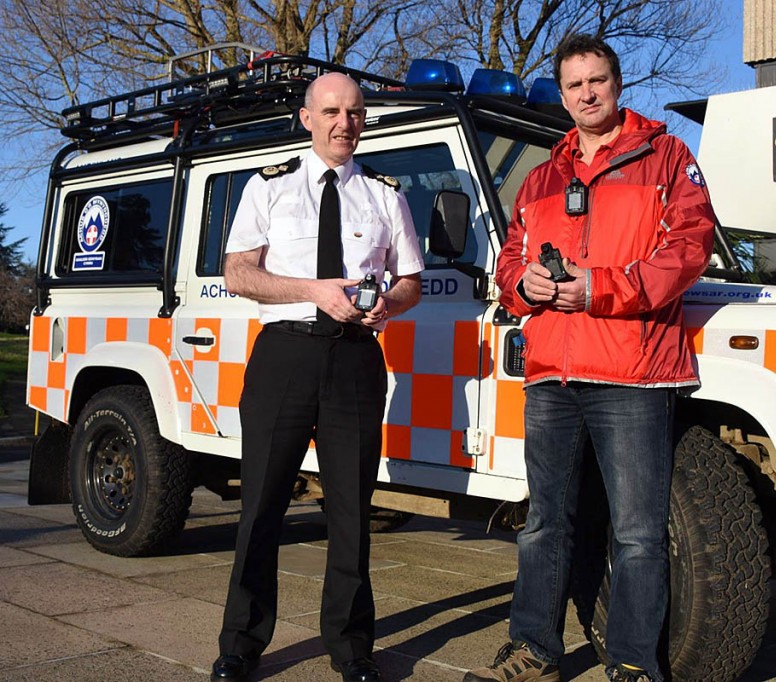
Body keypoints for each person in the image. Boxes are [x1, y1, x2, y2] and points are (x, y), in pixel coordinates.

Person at [464, 34, 715, 682]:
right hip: (552, 374)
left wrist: (597, 288)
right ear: (564, 92)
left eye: (597, 80)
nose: (588, 93)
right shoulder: (542, 177)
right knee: (544, 524)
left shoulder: (666, 157)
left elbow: (687, 249)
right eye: (575, 85)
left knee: (637, 534)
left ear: (617, 82)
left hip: (630, 374)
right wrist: (527, 285)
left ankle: (632, 665)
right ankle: (535, 650)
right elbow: (511, 260)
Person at [210, 71, 424, 682]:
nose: (344, 124)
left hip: (356, 358)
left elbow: (409, 277)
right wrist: (312, 290)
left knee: (352, 511)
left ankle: (353, 649)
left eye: (355, 113)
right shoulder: (269, 187)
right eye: (331, 112)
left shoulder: (386, 195)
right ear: (307, 118)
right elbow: (238, 274)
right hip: (285, 355)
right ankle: (241, 645)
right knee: (261, 506)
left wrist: (393, 302)